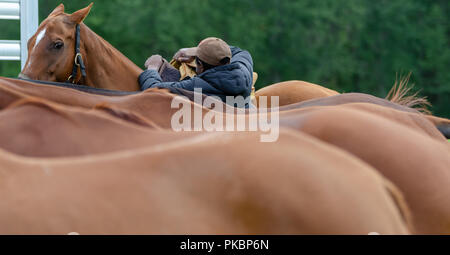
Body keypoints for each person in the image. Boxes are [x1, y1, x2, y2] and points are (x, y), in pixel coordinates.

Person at [139, 37, 254, 108]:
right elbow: (238, 51)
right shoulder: (243, 69)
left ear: (201, 66)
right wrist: (193, 51)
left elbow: (153, 89)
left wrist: (153, 67)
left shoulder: (199, 85)